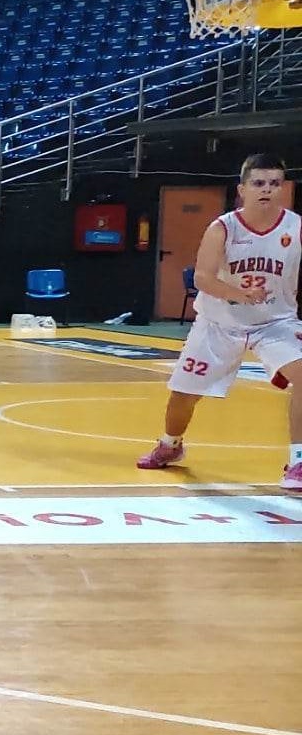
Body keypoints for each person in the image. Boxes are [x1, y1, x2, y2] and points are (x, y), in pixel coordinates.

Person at [137, 154, 302, 487]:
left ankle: (298, 462)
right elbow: (202, 277)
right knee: (184, 395)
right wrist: (238, 293)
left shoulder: (296, 226)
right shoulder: (222, 228)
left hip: (275, 323)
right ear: (242, 189)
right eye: (258, 183)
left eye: (274, 183)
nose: (267, 190)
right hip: (219, 323)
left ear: (284, 188)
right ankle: (170, 445)